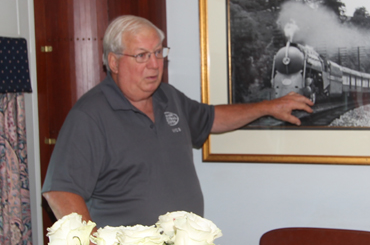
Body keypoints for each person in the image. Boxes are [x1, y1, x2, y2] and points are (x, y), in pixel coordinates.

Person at [41, 15, 313, 227]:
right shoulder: (90, 115)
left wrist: (268, 106)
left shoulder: (167, 96)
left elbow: (212, 118)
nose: (154, 64)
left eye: (159, 53)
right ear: (113, 62)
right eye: (141, 55)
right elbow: (60, 193)